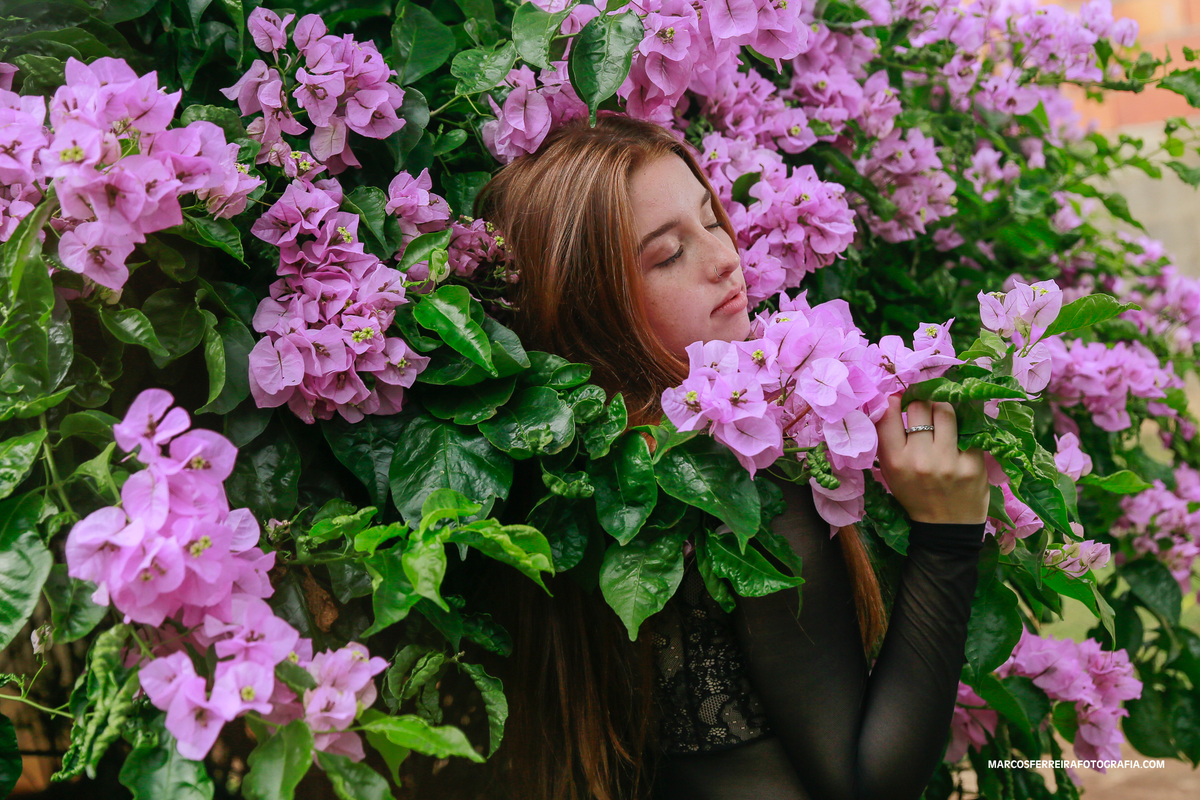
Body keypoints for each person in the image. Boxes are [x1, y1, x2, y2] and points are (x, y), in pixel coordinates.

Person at [470, 114, 991, 800]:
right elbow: (863, 785)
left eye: (711, 219)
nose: (723, 257)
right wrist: (948, 539)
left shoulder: (555, 487)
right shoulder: (740, 475)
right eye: (667, 254)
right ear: (587, 305)